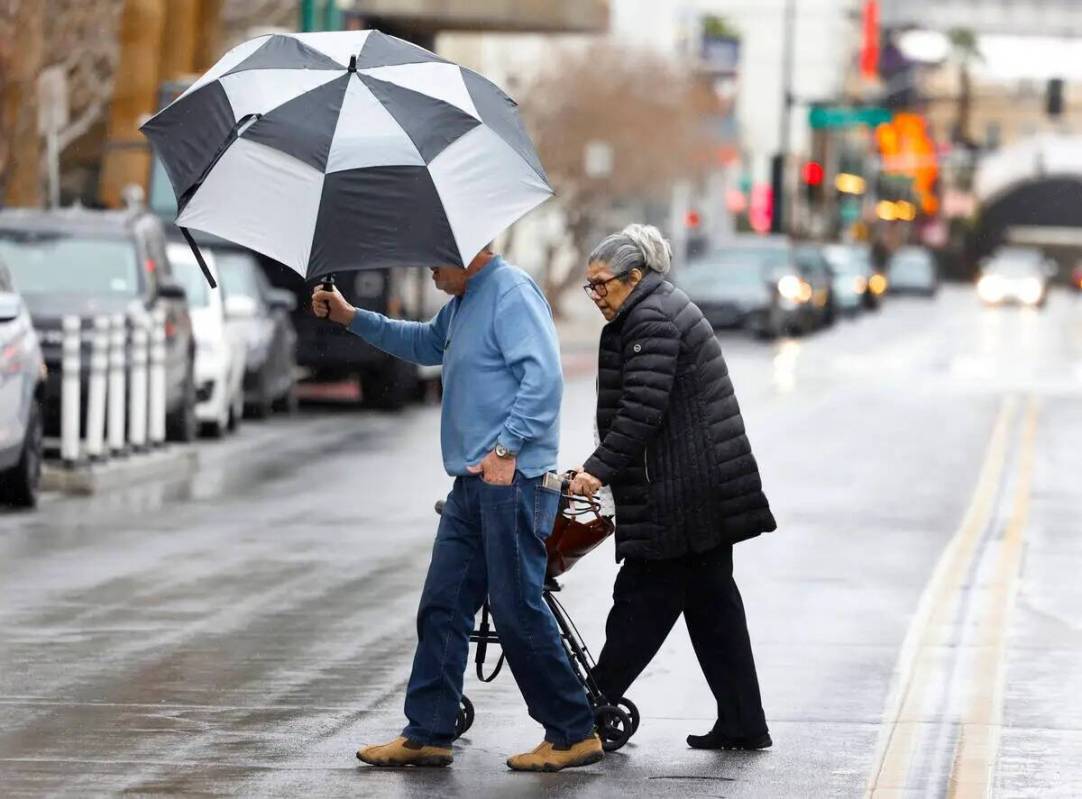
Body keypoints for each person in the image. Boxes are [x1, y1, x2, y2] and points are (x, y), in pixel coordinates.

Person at [312, 245, 602, 772]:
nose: (427, 266)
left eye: (435, 256)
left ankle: (573, 731)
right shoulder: (465, 301)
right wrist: (352, 317)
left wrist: (507, 448)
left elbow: (544, 380)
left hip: (510, 480)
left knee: (517, 609)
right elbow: (425, 342)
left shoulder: (510, 292)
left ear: (468, 251)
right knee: (443, 606)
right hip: (472, 485)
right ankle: (429, 731)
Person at [569, 224, 777, 751]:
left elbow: (642, 410)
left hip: (682, 493)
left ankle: (584, 714)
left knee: (644, 599)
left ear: (633, 276)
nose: (595, 295)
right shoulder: (647, 310)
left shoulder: (652, 318)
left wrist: (597, 469)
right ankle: (743, 722)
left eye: (602, 285)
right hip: (697, 486)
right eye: (588, 285)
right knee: (712, 609)